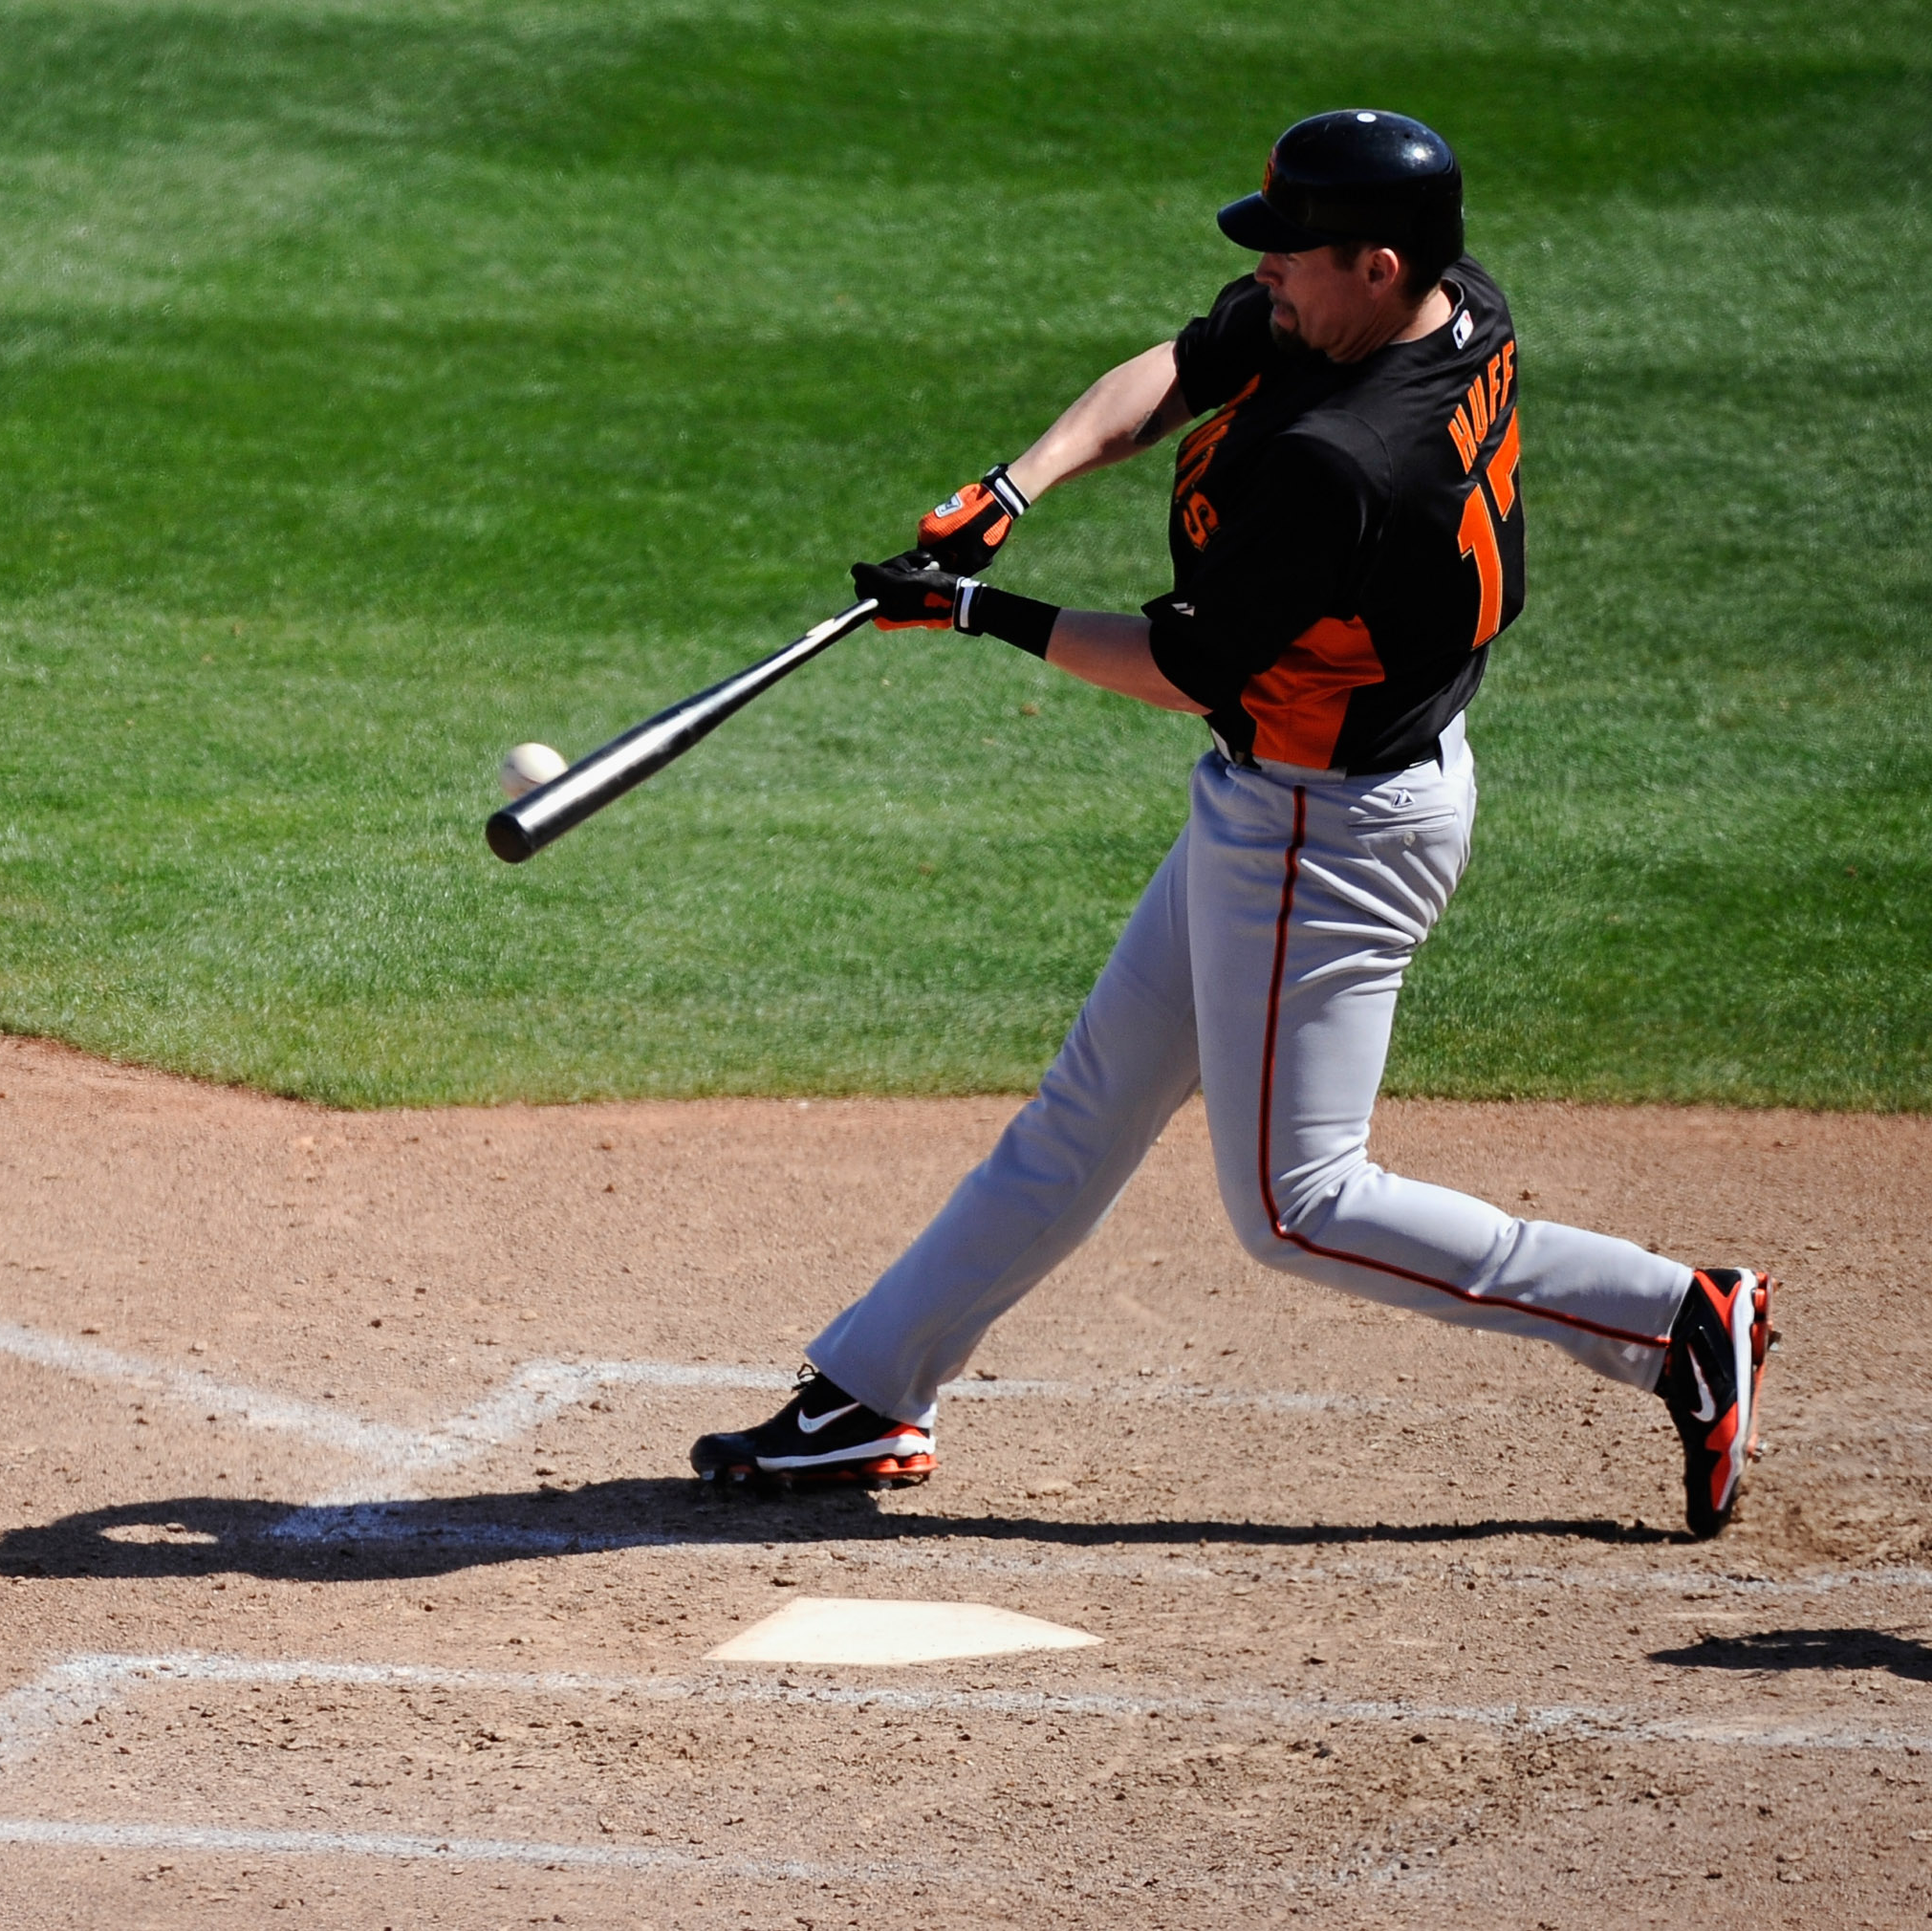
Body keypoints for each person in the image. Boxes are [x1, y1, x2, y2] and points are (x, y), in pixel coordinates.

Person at [688, 110, 1774, 1538]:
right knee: (1087, 1111)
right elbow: (1183, 370)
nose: (1267, 284)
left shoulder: (1348, 461)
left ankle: (1673, 1321)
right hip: (1297, 791)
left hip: (1332, 827)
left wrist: (970, 612)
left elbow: (1180, 667)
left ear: (1377, 263)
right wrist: (1012, 491)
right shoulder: (1437, 306)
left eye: (1292, 263)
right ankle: (874, 1391)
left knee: (1302, 1203)